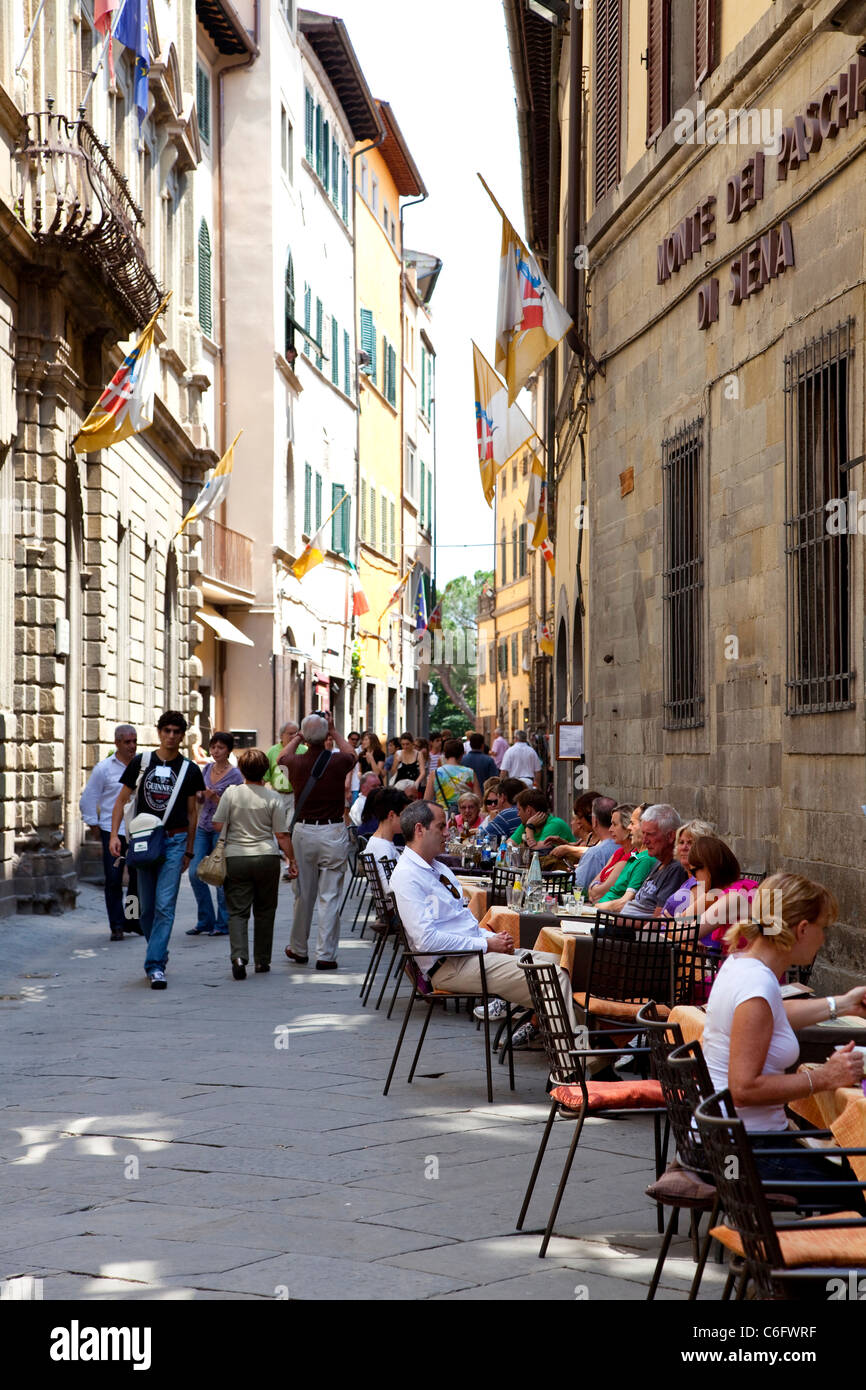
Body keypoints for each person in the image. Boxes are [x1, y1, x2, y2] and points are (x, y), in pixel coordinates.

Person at [702, 873, 866, 1211]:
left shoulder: (742, 965)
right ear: (803, 929)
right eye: (824, 927)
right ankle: (833, 1259)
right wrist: (825, 1077)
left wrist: (844, 1003)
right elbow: (743, 1090)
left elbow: (773, 1015)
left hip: (727, 1142)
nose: (823, 938)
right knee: (860, 1188)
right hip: (749, 1152)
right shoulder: (756, 985)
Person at [389, 800, 579, 1028]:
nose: (447, 833)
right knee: (553, 977)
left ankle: (547, 1033)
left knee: (570, 963)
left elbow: (457, 925)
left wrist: (488, 939)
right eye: (440, 827)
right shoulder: (407, 875)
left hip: (470, 955)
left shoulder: (437, 867)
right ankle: (572, 1058)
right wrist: (487, 944)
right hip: (450, 965)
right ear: (420, 830)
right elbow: (426, 941)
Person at [110, 711, 205, 990]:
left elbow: (192, 813)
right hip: (142, 841)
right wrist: (114, 835)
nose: (172, 736)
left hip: (174, 842)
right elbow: (121, 801)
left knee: (165, 905)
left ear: (182, 735)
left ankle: (155, 966)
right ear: (159, 732)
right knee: (147, 908)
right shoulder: (142, 763)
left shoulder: (190, 769)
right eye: (167, 731)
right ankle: (159, 952)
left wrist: (189, 851)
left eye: (177, 732)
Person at [279, 712, 356, 970]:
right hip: (332, 830)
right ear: (325, 737)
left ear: (303, 737)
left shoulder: (296, 761)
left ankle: (299, 948)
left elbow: (280, 757)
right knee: (330, 895)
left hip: (303, 832)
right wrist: (333, 731)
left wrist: (299, 735)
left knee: (303, 893)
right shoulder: (337, 762)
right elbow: (352, 753)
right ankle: (325, 955)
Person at [212, 747, 296, 979]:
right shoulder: (274, 797)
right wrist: (292, 859)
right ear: (266, 771)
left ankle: (239, 957)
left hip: (236, 857)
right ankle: (262, 961)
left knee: (237, 911)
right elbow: (281, 834)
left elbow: (217, 825)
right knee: (265, 910)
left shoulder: (231, 793)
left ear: (241, 770)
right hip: (267, 857)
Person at [79, 723, 140, 940]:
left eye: (134, 741)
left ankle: (132, 920)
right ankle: (116, 925)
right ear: (117, 743)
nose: (132, 746)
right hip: (112, 832)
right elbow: (88, 800)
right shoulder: (104, 769)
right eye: (127, 742)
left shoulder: (142, 766)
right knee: (113, 879)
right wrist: (95, 826)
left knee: (136, 879)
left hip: (137, 832)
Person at [187, 732, 244, 936]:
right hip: (203, 827)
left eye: (220, 747)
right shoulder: (207, 768)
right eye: (213, 747)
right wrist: (201, 796)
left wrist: (216, 797)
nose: (215, 751)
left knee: (220, 876)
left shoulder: (235, 775)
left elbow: (236, 806)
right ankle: (205, 920)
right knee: (195, 873)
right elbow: (199, 799)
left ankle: (223, 922)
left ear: (228, 750)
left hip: (223, 830)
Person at [549, 798, 631, 890]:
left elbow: (577, 888)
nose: (611, 829)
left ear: (594, 821)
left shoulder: (596, 854)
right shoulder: (621, 849)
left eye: (615, 824)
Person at [622, 804, 687, 918]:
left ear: (671, 836)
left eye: (651, 834)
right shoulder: (659, 861)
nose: (645, 841)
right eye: (643, 833)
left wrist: (616, 921)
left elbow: (656, 922)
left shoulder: (676, 869)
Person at [595, 803, 658, 908]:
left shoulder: (645, 860)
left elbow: (624, 902)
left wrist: (595, 908)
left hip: (607, 916)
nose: (629, 827)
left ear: (646, 827)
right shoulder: (636, 855)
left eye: (632, 823)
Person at [265, 721, 300, 880]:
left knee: (288, 830)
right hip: (276, 795)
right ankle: (286, 862)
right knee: (278, 831)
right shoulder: (272, 751)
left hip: (295, 796)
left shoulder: (303, 750)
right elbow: (265, 776)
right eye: (290, 733)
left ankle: (289, 863)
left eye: (296, 733)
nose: (294, 736)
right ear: (282, 735)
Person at [659, 819, 716, 915]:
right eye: (681, 842)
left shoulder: (705, 881)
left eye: (690, 843)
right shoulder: (689, 879)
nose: (684, 847)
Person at [362, 786, 408, 888]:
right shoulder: (382, 847)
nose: (407, 820)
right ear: (391, 815)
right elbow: (388, 889)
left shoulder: (381, 842)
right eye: (404, 816)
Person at [424, 738, 480, 810]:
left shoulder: (435, 773)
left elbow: (426, 801)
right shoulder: (470, 772)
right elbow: (478, 800)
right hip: (465, 813)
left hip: (443, 814)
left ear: (445, 754)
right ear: (462, 754)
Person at [510, 788, 575, 850]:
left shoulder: (555, 824)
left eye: (519, 810)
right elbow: (508, 845)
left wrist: (529, 828)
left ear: (528, 810)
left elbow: (536, 852)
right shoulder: (525, 824)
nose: (518, 814)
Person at [486, 778, 525, 842]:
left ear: (503, 797)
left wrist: (491, 821)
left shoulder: (506, 814)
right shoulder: (525, 811)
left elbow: (483, 838)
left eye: (498, 797)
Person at [349, 772, 382, 837]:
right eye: (374, 786)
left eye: (379, 786)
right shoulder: (360, 806)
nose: (378, 789)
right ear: (363, 787)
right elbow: (366, 831)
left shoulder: (375, 802)